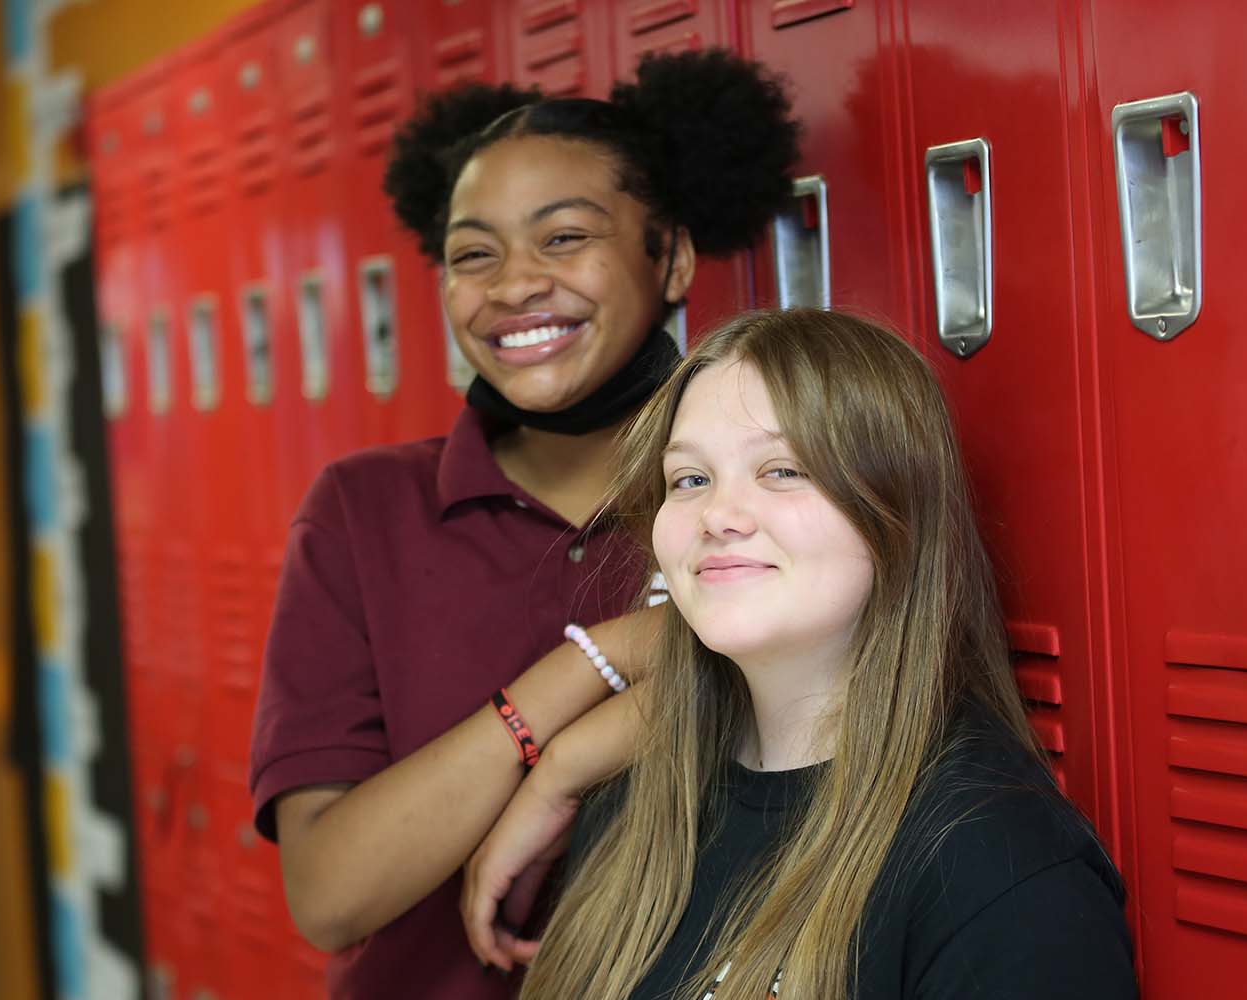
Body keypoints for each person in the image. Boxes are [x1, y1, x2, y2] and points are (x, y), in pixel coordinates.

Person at [247, 52, 800, 999]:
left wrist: (568, 762)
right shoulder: (360, 511)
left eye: (563, 239)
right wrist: (596, 663)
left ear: (670, 257)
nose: (511, 286)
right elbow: (330, 896)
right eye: (474, 253)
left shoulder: (767, 496)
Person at [464, 309, 1139, 999]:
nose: (718, 515)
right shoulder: (637, 803)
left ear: (895, 514)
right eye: (690, 479)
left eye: (782, 470)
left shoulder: (995, 865)